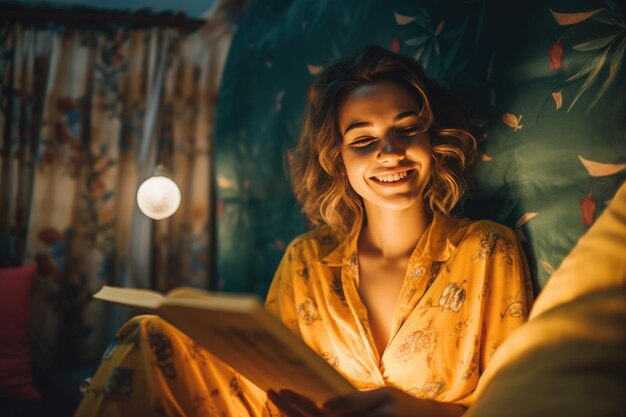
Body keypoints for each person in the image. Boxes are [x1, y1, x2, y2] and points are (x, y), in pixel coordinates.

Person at [75, 45, 533, 417]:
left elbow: (516, 403)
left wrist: (412, 410)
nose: (390, 152)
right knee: (149, 333)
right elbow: (269, 385)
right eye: (363, 140)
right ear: (339, 160)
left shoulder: (488, 250)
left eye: (407, 129)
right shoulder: (306, 259)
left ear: (432, 139)